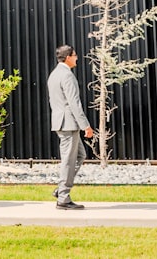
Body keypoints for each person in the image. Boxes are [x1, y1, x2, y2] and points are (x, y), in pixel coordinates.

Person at [48, 44, 93, 210]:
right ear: (68, 57)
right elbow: (74, 103)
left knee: (80, 155)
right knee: (68, 160)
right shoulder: (67, 75)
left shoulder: (54, 75)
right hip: (68, 123)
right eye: (75, 55)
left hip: (61, 122)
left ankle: (61, 189)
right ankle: (64, 198)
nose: (77, 58)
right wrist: (85, 126)